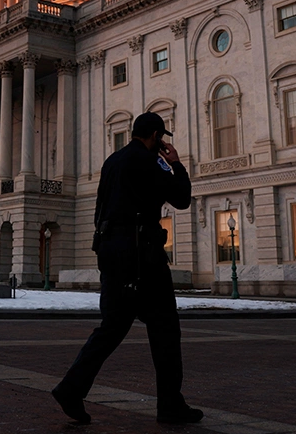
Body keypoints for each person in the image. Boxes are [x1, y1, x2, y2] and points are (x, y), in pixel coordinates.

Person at [52, 111, 202, 426]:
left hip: (110, 252)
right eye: (162, 139)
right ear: (156, 136)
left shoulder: (112, 162)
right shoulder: (152, 162)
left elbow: (100, 207)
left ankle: (71, 388)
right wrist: (176, 163)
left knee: (111, 327)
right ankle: (170, 405)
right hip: (142, 256)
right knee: (165, 328)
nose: (163, 143)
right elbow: (182, 198)